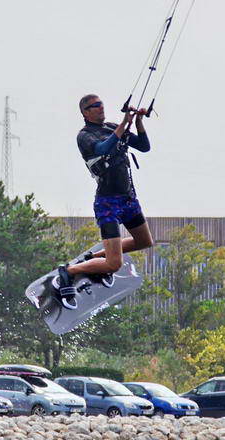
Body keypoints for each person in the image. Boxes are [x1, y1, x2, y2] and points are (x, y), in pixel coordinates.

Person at [51, 94, 154, 308]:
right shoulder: (85, 136)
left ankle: (92, 258)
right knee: (114, 264)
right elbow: (102, 149)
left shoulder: (111, 127)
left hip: (128, 200)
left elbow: (144, 146)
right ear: (85, 112)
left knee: (145, 241)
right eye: (94, 106)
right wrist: (124, 125)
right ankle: (68, 271)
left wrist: (137, 123)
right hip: (108, 204)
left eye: (101, 104)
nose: (100, 108)